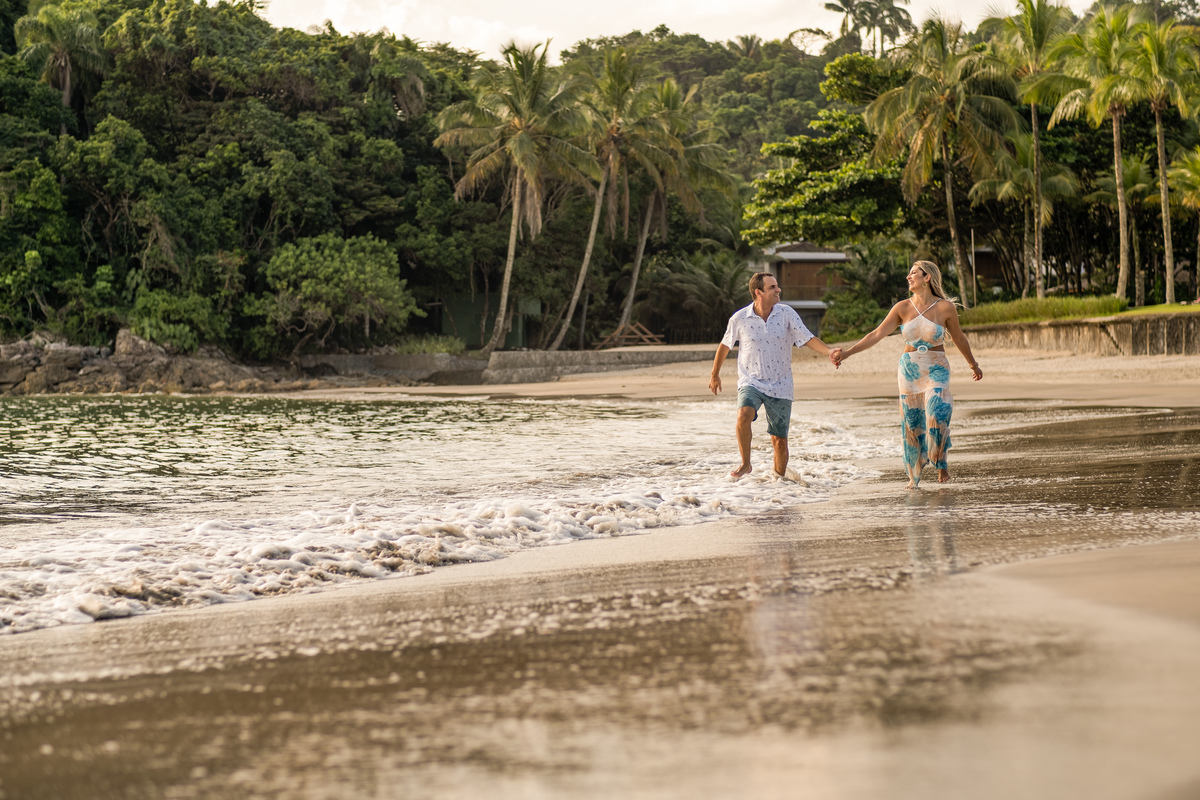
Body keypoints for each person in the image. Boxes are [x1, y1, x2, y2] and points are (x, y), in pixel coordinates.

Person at [831, 260, 982, 488]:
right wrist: (848, 353)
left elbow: (959, 338)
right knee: (912, 423)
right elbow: (877, 334)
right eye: (909, 273)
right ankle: (914, 474)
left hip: (936, 366)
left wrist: (973, 364)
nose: (908, 277)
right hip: (909, 369)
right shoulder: (902, 307)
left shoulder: (945, 308)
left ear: (927, 277)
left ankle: (940, 459)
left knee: (938, 412)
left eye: (913, 273)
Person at [709, 272, 840, 479]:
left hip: (781, 384)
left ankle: (779, 480)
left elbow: (807, 337)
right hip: (750, 380)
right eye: (772, 287)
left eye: (776, 286)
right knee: (744, 414)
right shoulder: (740, 318)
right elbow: (725, 345)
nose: (778, 290)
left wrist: (829, 352)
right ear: (758, 292)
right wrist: (715, 374)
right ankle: (745, 464)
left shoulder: (786, 313)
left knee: (779, 440)